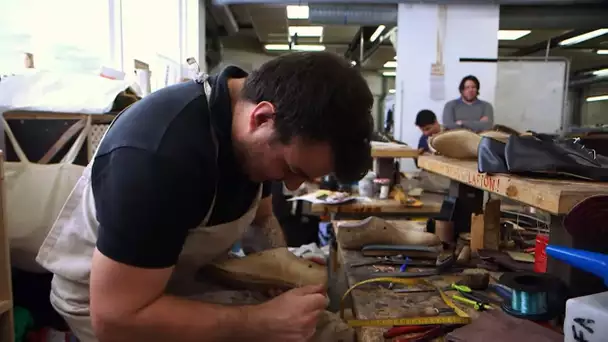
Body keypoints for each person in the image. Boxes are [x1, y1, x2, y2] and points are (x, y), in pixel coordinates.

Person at [35, 52, 373, 342]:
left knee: (326, 329)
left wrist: (282, 270)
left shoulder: (260, 128)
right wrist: (262, 322)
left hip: (179, 282)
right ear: (262, 118)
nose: (294, 186)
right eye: (290, 169)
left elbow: (262, 218)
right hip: (109, 307)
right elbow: (116, 319)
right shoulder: (159, 156)